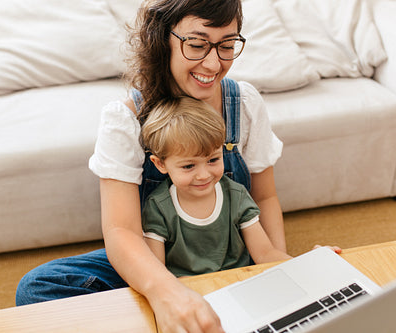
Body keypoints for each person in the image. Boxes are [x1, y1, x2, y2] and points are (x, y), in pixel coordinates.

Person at [16, 0, 300, 331]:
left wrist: (276, 273)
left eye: (227, 45)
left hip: (232, 254)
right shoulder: (125, 119)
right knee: (38, 288)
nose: (213, 62)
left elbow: (264, 199)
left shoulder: (245, 103)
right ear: (162, 37)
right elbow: (121, 230)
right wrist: (166, 292)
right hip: (159, 259)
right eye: (196, 44)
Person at [140, 97, 292, 278]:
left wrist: (311, 263)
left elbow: (265, 254)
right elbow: (157, 271)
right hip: (187, 292)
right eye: (189, 166)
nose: (204, 175)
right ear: (160, 164)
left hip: (238, 283)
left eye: (213, 160)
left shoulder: (236, 196)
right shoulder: (158, 207)